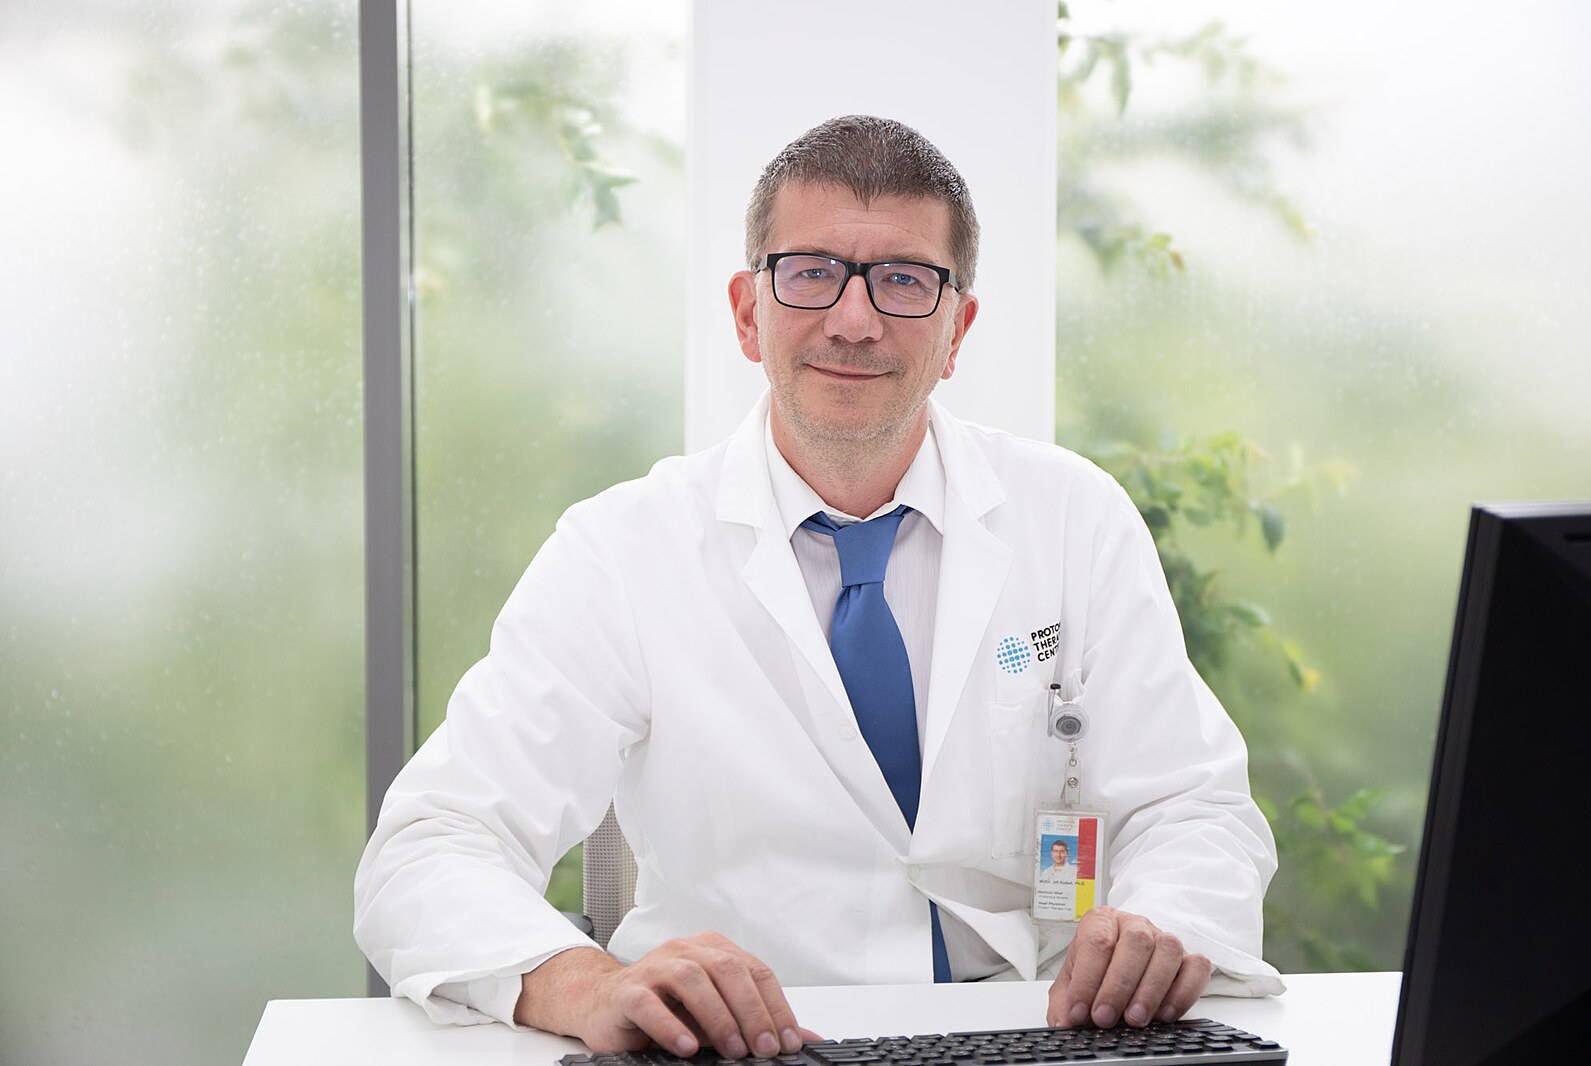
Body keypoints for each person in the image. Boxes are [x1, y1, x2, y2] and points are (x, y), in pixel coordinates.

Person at [353, 114, 1283, 1059]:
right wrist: (585, 985)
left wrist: (1161, 928)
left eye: (904, 281)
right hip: (736, 1046)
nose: (853, 320)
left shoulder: (1073, 516)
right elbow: (430, 846)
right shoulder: (621, 549)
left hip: (1022, 1030)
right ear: (747, 312)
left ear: (957, 331)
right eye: (810, 273)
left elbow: (1193, 808)